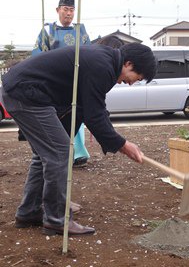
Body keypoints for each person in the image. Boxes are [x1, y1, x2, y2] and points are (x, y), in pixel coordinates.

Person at [1, 42, 157, 236]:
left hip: (20, 91)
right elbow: (95, 114)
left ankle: (29, 212)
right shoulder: (103, 66)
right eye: (137, 78)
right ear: (128, 63)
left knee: (46, 154)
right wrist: (123, 145)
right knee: (60, 153)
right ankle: (57, 220)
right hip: (26, 94)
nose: (132, 83)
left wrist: (116, 142)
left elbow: (87, 106)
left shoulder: (104, 60)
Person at [19, 0, 90, 169]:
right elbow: (38, 56)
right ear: (58, 9)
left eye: (72, 10)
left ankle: (78, 154)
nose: (69, 13)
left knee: (76, 116)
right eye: (66, 9)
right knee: (54, 119)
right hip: (52, 83)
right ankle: (54, 152)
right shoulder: (47, 30)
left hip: (74, 81)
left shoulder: (80, 30)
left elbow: (89, 54)